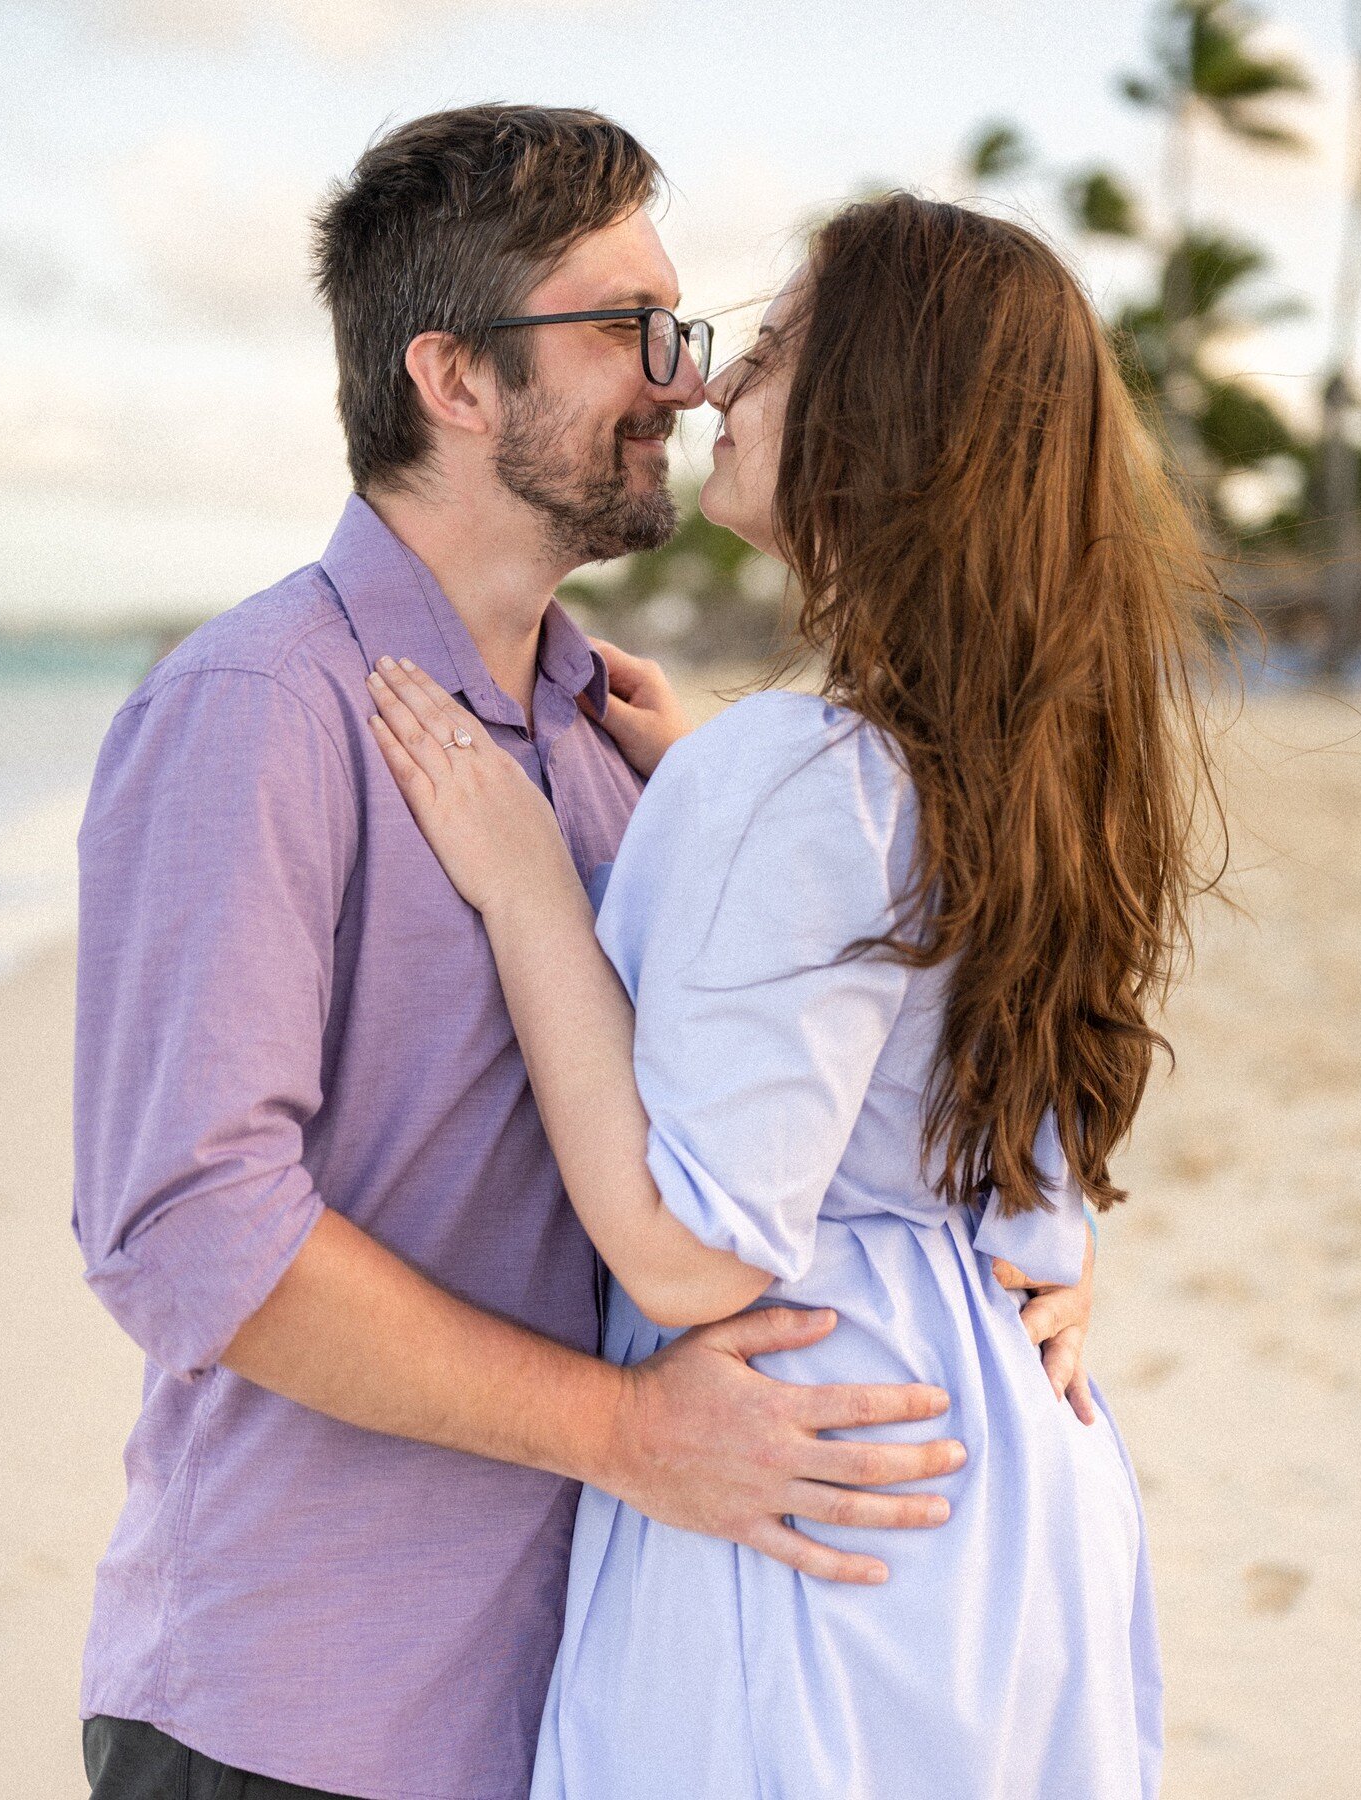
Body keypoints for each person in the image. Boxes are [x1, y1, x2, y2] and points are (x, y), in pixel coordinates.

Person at [71, 112, 1097, 1800]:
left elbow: (788, 1078)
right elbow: (187, 1231)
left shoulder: (613, 738)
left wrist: (1022, 1246)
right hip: (307, 1705)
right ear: (455, 381)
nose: (685, 384)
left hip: (589, 1689)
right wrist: (628, 1435)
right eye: (628, 330)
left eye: (685, 334)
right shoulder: (260, 709)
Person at [365, 192, 1233, 1799]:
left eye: (763, 355)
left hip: (814, 1498)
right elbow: (912, 1033)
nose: (708, 388)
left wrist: (531, 886)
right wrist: (711, 790)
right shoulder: (1013, 765)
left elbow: (696, 1252)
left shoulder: (801, 777)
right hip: (1012, 1494)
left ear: (870, 421)